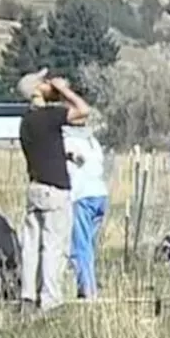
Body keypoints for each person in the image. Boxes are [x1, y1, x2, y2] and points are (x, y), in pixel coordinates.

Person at [16, 69, 90, 312]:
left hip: (34, 188)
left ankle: (28, 297)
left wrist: (66, 155)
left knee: (31, 246)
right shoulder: (49, 115)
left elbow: (47, 146)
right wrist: (64, 89)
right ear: (37, 90)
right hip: (55, 190)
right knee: (53, 246)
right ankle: (50, 300)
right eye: (45, 82)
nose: (50, 84)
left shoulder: (27, 120)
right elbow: (83, 111)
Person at [65, 126, 108, 300]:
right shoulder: (93, 142)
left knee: (80, 246)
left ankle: (87, 291)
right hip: (101, 194)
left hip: (82, 196)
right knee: (88, 245)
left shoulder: (70, 142)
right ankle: (88, 284)